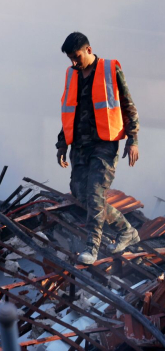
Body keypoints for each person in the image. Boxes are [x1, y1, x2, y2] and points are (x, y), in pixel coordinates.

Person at [56, 32, 140, 265]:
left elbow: (128, 105)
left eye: (77, 57)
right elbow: (67, 111)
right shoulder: (71, 75)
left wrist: (133, 139)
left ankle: (91, 249)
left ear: (89, 50)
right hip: (80, 146)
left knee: (95, 193)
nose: (74, 63)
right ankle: (127, 231)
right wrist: (62, 144)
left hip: (105, 144)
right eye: (70, 59)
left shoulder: (110, 69)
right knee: (80, 192)